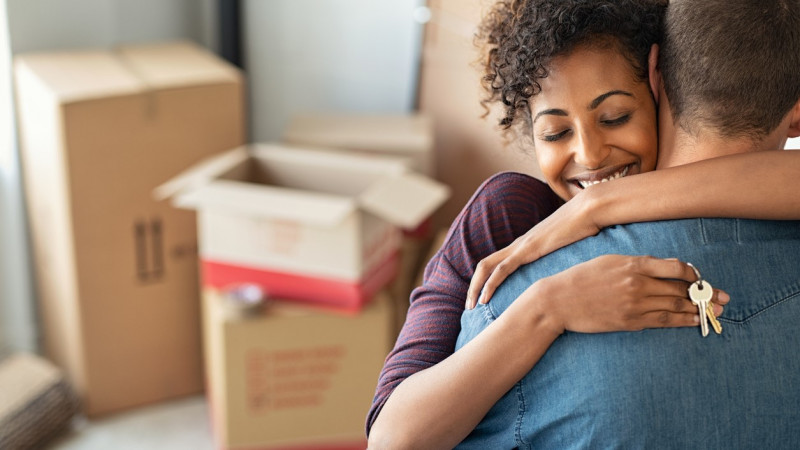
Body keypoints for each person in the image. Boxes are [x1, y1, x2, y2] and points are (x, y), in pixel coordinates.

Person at [367, 0, 800, 447]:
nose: (591, 156)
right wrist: (547, 307)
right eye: (555, 134)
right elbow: (390, 438)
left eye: (615, 118)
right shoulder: (508, 216)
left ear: (658, 86)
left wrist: (598, 205)